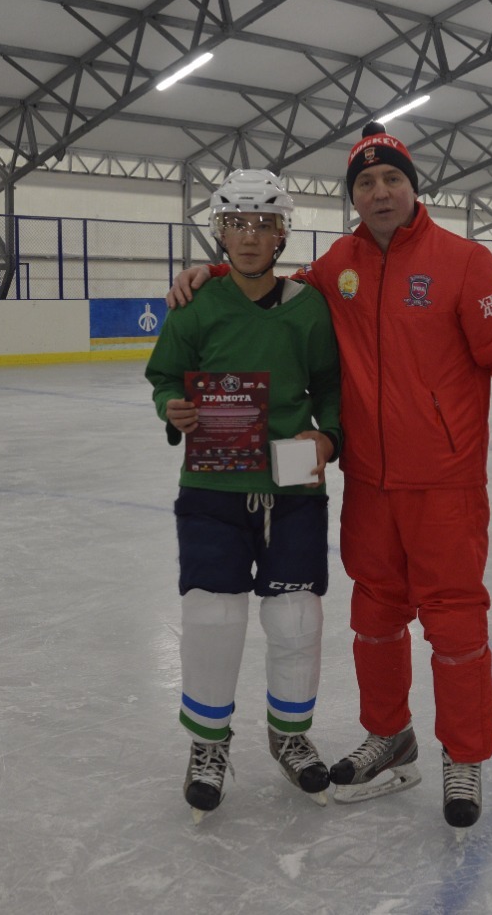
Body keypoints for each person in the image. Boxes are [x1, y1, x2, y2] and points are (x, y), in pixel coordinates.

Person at [168, 124, 492, 829]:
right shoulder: (340, 263)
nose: (379, 192)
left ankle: (464, 755)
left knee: (455, 621)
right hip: (369, 482)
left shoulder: (464, 263)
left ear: (413, 187)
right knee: (374, 617)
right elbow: (270, 285)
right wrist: (211, 274)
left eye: (391, 179)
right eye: (365, 183)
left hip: (444, 483)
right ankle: (389, 735)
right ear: (353, 197)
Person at [145, 169, 343, 822]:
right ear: (219, 232)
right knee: (212, 615)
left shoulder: (309, 306)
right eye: (237, 222)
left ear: (283, 232)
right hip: (213, 486)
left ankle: (289, 733)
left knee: (296, 617)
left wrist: (329, 437)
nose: (250, 236)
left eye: (263, 223)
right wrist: (171, 407)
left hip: (292, 486)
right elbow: (165, 377)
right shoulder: (195, 305)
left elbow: (331, 386)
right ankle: (208, 743)